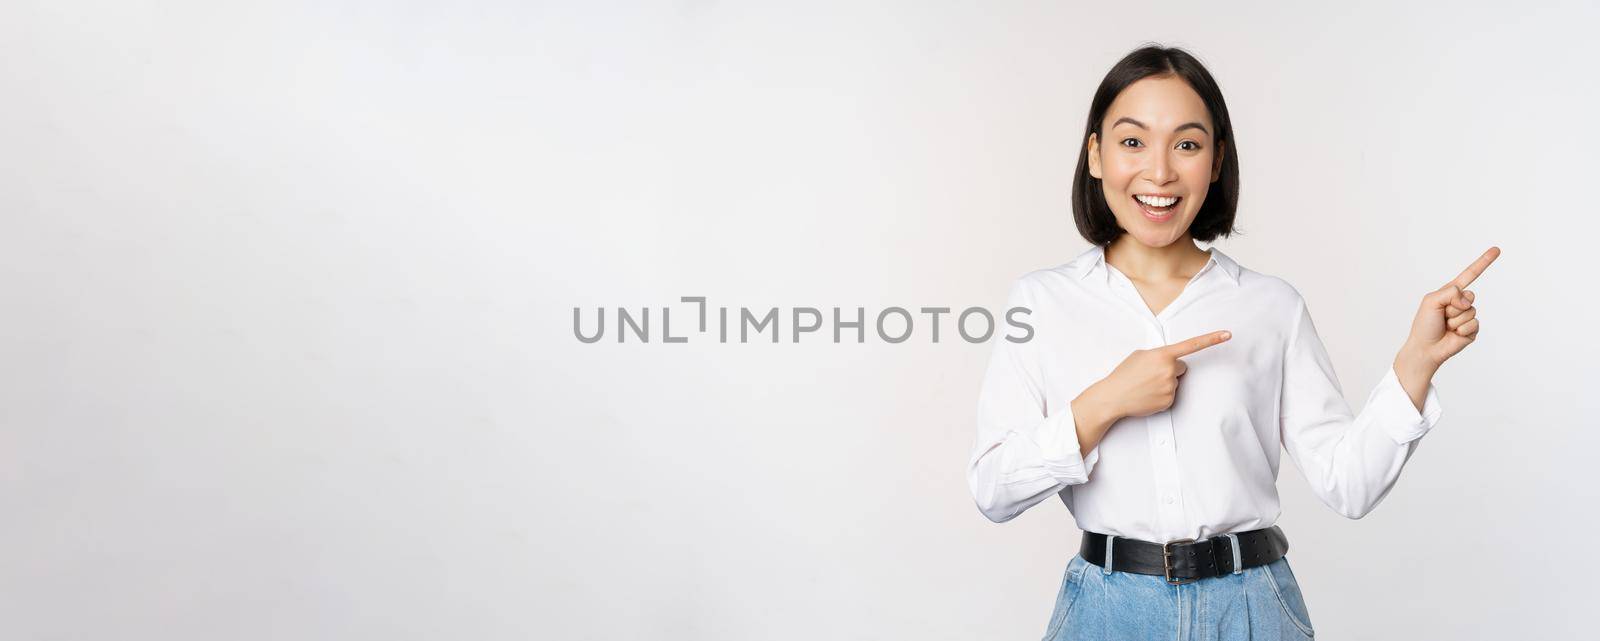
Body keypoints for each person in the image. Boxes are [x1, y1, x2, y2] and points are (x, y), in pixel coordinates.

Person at [965, 44, 1499, 641]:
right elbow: (994, 489)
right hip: (1107, 611)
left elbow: (1350, 486)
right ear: (1095, 155)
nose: (1160, 171)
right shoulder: (1042, 301)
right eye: (1133, 141)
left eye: (1187, 144)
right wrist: (1106, 401)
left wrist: (1415, 363)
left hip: (1253, 608)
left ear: (1216, 161)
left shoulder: (1271, 306)